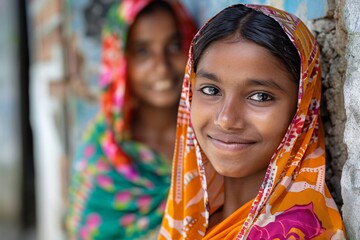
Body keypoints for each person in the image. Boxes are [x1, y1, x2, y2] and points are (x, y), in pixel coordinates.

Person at [159, 4, 346, 239]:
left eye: (260, 96)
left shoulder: (298, 232)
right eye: (210, 90)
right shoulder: (194, 219)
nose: (226, 119)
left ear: (301, 111)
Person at [66, 0, 196, 239]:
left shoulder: (215, 136)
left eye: (175, 45)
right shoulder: (102, 154)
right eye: (143, 51)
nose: (162, 67)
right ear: (119, 60)